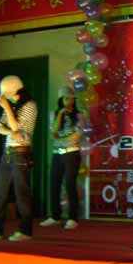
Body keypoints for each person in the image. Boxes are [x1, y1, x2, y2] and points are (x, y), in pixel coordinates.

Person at [0, 75, 38, 242]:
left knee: (21, 193)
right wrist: (11, 131)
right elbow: (0, 127)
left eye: (4, 92)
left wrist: (8, 112)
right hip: (8, 152)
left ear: (13, 90)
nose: (2, 97)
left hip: (20, 153)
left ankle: (25, 231)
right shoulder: (11, 105)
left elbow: (18, 127)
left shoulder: (29, 105)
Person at [40, 86, 82, 230]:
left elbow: (77, 135)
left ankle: (73, 218)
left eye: (71, 98)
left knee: (70, 184)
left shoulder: (79, 115)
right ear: (60, 100)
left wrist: (61, 138)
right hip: (57, 153)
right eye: (65, 98)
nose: (68, 101)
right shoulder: (54, 114)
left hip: (72, 152)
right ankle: (55, 216)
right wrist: (61, 114)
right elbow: (53, 133)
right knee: (54, 183)